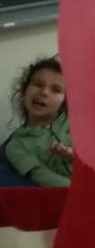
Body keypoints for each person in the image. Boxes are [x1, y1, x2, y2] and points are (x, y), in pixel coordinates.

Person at [5, 57, 73, 186]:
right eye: (38, 84)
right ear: (24, 93)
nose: (44, 92)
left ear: (63, 104)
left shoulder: (75, 122)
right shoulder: (16, 145)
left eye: (56, 90)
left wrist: (72, 153)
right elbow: (39, 174)